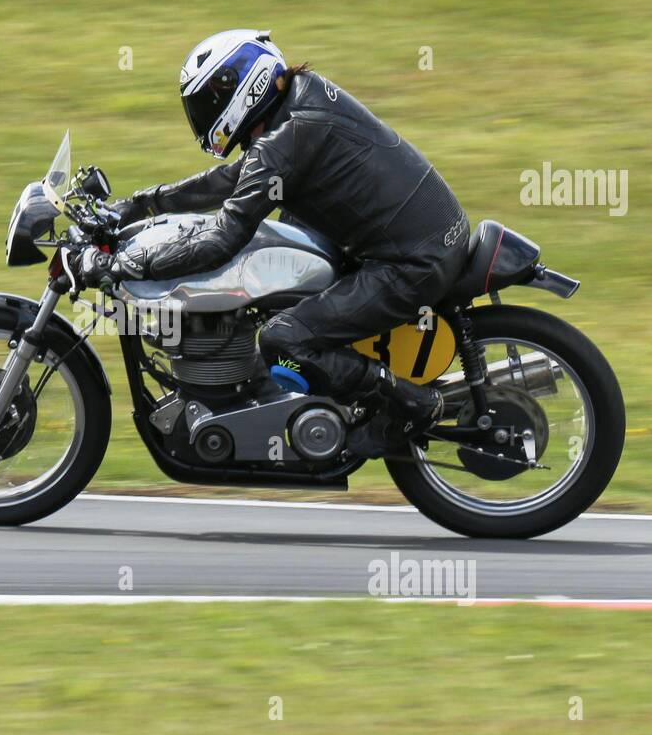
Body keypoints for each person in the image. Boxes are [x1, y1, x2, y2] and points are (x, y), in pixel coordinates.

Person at [76, 29, 470, 457]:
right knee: (273, 291)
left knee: (284, 340)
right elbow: (232, 180)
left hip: (412, 262)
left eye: (208, 102)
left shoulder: (286, 138)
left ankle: (413, 403)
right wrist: (138, 205)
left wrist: (128, 266)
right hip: (415, 239)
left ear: (245, 86)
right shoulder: (299, 103)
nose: (204, 115)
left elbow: (223, 238)